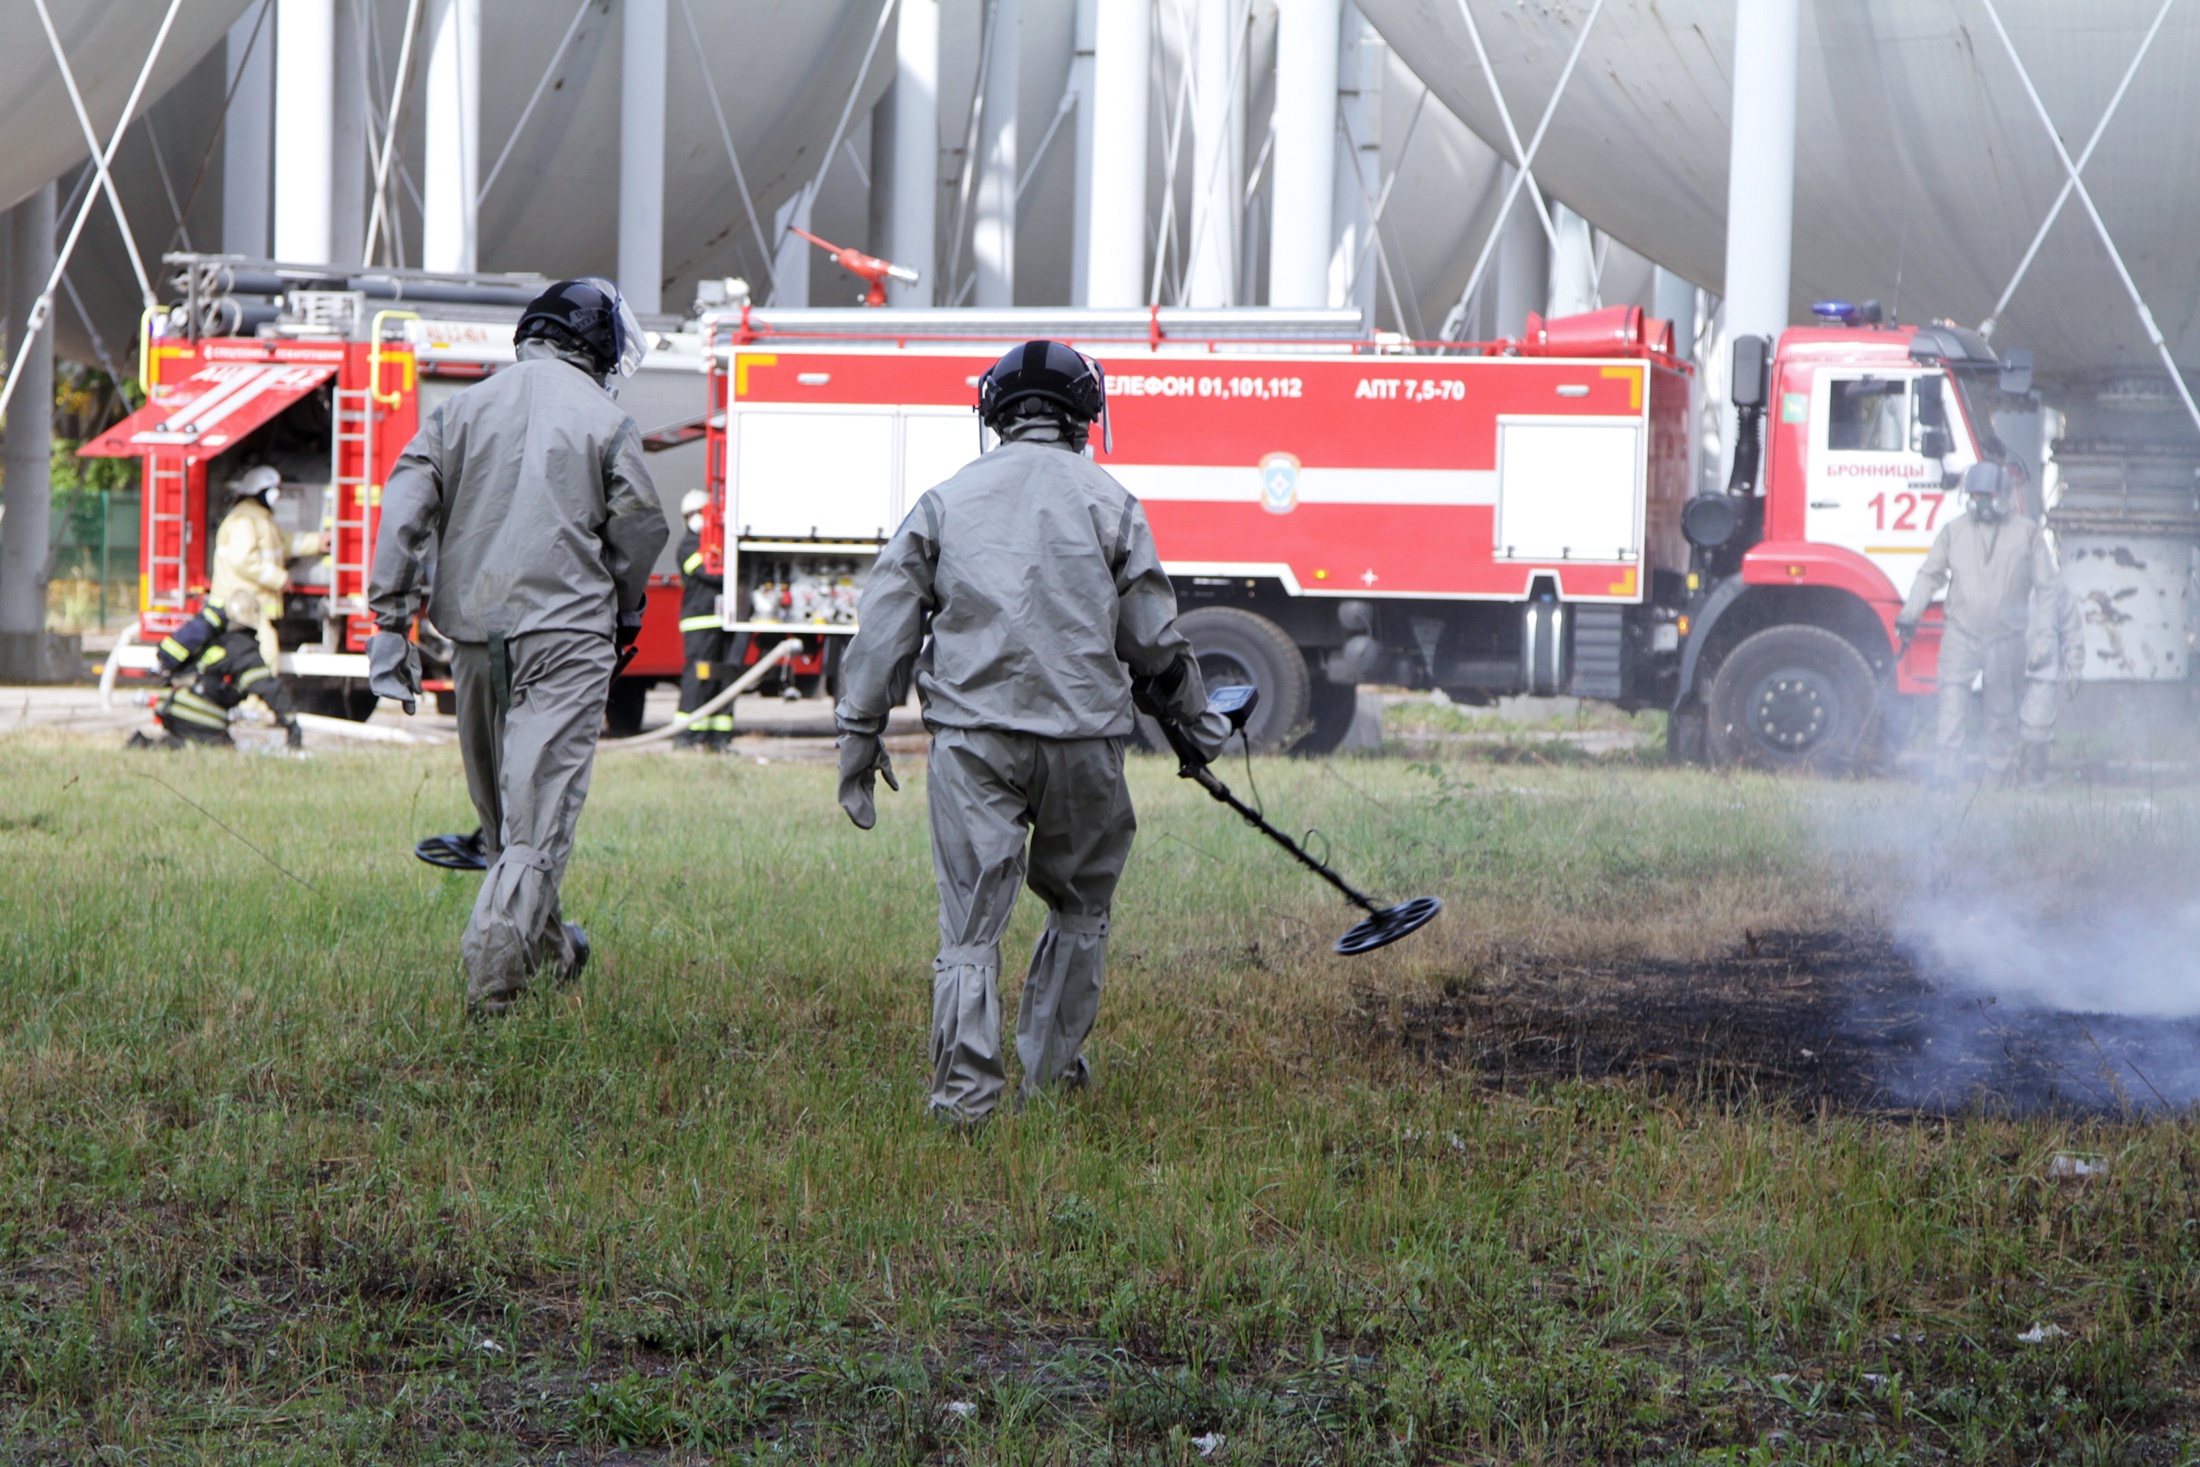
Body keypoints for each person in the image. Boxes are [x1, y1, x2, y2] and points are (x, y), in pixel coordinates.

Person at [834, 339, 1229, 1126]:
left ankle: (963, 1101)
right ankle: (1049, 1085)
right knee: (1080, 907)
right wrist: (1198, 721)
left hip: (975, 740)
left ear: (995, 413)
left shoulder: (946, 500)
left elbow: (884, 629)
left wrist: (859, 732)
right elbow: (1153, 641)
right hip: (1085, 739)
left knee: (971, 926)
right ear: (1086, 414)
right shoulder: (1112, 502)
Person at [365, 277, 666, 1014]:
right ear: (596, 343)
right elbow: (641, 527)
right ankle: (494, 989)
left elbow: (403, 509)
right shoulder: (606, 420)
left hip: (474, 639)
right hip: (566, 638)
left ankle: (557, 950)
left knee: (505, 826)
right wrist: (625, 607)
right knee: (535, 826)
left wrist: (390, 625)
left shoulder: (459, 411)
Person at [1896, 460, 2060, 784]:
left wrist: (2044, 636)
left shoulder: (2027, 533)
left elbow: (2047, 589)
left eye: (1988, 495)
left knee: (2001, 714)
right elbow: (1930, 574)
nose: (1981, 502)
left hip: (2007, 639)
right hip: (1961, 635)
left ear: (2004, 495)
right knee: (1952, 708)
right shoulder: (1953, 531)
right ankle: (1946, 778)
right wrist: (1910, 613)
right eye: (1975, 496)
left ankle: (1995, 779)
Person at [129, 592, 303, 750]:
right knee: (223, 751)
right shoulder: (244, 650)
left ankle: (148, 745)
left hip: (171, 704)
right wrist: (291, 721)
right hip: (199, 714)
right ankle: (158, 746)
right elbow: (268, 687)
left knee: (183, 744)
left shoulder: (214, 640)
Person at [208, 464, 323, 672]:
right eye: (273, 490)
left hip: (251, 607)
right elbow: (244, 560)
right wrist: (280, 579)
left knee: (263, 657)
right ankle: (261, 694)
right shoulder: (244, 520)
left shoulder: (259, 518)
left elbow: (281, 544)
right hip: (243, 607)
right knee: (264, 658)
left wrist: (318, 542)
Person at [674, 488, 734, 750]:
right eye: (692, 514)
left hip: (723, 620)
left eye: (699, 513)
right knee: (697, 679)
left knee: (723, 678)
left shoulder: (717, 544)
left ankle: (718, 738)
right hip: (700, 621)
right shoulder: (688, 546)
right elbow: (710, 572)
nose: (695, 518)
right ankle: (686, 736)